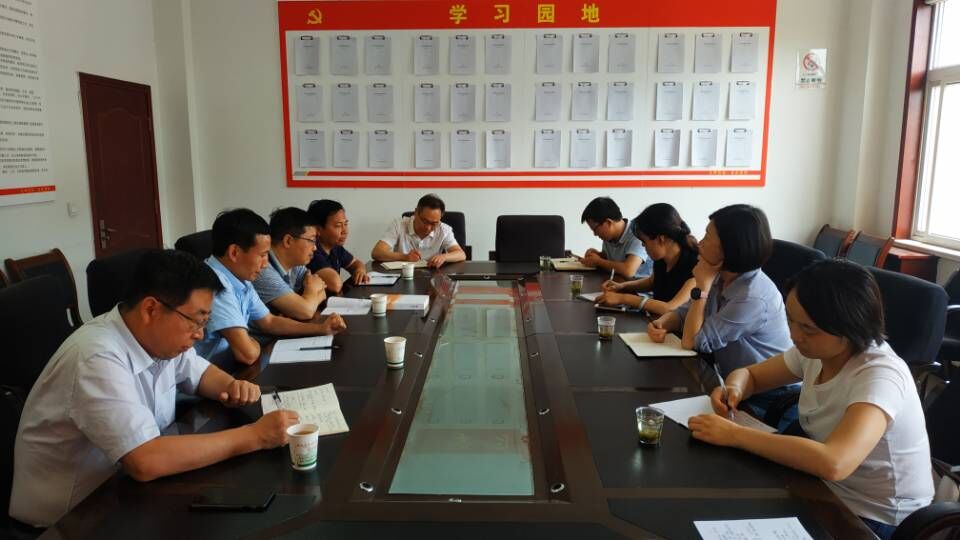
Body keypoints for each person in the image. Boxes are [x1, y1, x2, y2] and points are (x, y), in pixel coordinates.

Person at [9, 250, 301, 528]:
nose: (200, 334)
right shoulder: (95, 356)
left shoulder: (157, 338)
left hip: (124, 491)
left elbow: (199, 372)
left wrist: (232, 386)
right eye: (196, 321)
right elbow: (145, 460)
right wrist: (254, 436)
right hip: (73, 519)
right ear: (151, 309)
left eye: (205, 322)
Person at [688, 259, 933, 539]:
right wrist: (734, 387)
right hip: (823, 487)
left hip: (874, 516)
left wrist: (735, 435)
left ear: (848, 325)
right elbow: (751, 376)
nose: (794, 335)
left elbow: (834, 462)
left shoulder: (880, 376)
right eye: (791, 320)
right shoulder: (817, 351)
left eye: (808, 329)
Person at [647, 204, 793, 421]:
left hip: (767, 396)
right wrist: (663, 323)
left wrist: (702, 288)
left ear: (729, 248)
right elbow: (683, 314)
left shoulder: (752, 298)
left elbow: (692, 342)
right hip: (731, 382)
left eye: (707, 236)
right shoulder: (721, 275)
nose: (700, 242)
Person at [194, 208, 346, 367]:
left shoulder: (241, 278)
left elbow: (269, 321)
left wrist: (320, 329)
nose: (266, 263)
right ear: (234, 253)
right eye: (262, 255)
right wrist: (253, 340)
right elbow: (248, 354)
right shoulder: (215, 284)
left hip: (231, 370)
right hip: (213, 376)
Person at [596, 203, 698, 316]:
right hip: (656, 322)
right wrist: (622, 286)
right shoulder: (662, 258)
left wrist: (623, 298)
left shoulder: (695, 266)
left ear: (661, 239)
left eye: (644, 241)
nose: (643, 246)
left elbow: (670, 308)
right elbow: (651, 282)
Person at [252, 207, 327, 320]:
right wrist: (311, 292)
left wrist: (309, 299)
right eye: (311, 241)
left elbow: (321, 289)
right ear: (288, 241)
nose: (315, 248)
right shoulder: (263, 269)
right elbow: (306, 311)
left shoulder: (295, 264)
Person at [371, 193, 466, 269]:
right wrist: (405, 257)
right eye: (425, 221)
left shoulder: (444, 229)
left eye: (434, 223)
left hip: (433, 276)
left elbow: (461, 254)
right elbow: (377, 252)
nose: (428, 228)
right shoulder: (399, 225)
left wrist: (444, 257)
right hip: (405, 275)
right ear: (416, 212)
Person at [579, 197, 652, 279]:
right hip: (618, 282)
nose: (595, 234)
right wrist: (598, 255)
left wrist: (598, 261)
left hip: (639, 285)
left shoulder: (637, 234)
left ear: (608, 222)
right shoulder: (609, 237)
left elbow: (628, 270)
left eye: (595, 229)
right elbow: (611, 261)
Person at [306, 199, 369, 293]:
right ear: (318, 229)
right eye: (338, 226)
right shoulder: (312, 251)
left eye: (345, 224)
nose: (345, 231)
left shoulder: (335, 247)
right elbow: (335, 285)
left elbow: (355, 263)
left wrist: (360, 271)